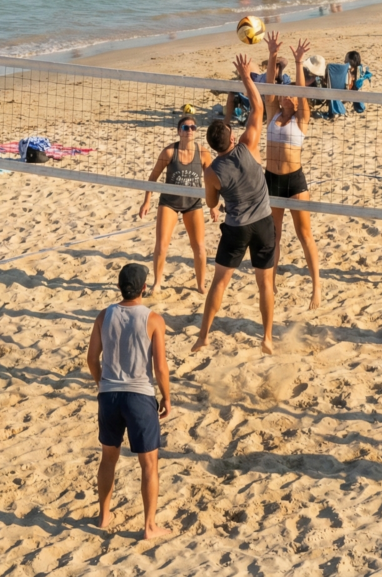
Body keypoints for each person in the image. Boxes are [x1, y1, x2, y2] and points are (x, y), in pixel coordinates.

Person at [192, 56, 275, 354]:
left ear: (212, 146)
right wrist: (245, 76)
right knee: (265, 285)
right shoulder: (248, 144)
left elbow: (212, 202)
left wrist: (216, 198)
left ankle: (203, 336)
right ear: (230, 135)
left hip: (237, 228)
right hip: (264, 223)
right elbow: (258, 108)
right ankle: (267, 338)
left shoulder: (212, 171)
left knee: (219, 284)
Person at [86, 263, 171, 539]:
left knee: (108, 459)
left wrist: (102, 383)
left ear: (119, 286)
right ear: (144, 288)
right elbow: (160, 369)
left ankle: (103, 516)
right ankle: (149, 526)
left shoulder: (104, 315)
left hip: (109, 396)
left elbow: (91, 359)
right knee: (149, 465)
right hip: (139, 396)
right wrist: (167, 397)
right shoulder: (153, 319)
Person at [263, 32, 321, 309]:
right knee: (273, 234)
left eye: (293, 95)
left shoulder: (302, 119)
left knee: (304, 234)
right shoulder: (273, 111)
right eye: (287, 95)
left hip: (294, 181)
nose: (289, 96)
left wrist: (299, 62)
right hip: (271, 180)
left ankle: (316, 288)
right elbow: (269, 84)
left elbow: (301, 91)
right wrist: (273, 55)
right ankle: (271, 283)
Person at [139, 117, 218, 293]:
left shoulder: (203, 153)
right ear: (179, 131)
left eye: (193, 127)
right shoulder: (169, 152)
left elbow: (211, 182)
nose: (189, 130)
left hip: (193, 203)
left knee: (199, 246)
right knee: (162, 244)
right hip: (170, 202)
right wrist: (146, 202)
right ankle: (157, 283)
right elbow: (153, 178)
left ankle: (200, 285)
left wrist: (213, 206)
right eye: (185, 127)